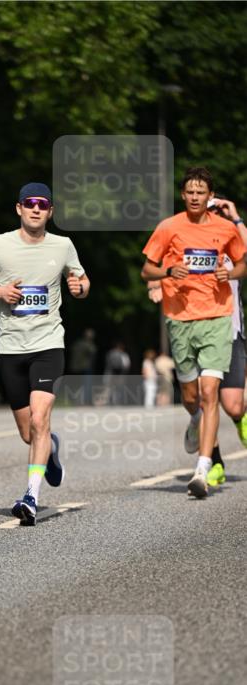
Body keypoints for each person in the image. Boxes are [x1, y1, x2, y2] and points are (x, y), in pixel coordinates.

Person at [0, 182, 89, 525]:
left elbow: (82, 280)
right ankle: (51, 449)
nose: (36, 209)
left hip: (48, 344)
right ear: (19, 208)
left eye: (43, 204)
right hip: (10, 348)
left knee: (41, 420)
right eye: (30, 203)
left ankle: (30, 496)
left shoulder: (63, 245)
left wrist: (80, 288)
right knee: (29, 432)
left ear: (50, 211)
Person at [141, 166, 246, 497]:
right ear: (183, 195)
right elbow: (147, 269)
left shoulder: (226, 229)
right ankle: (195, 420)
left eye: (202, 192)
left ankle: (204, 466)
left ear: (209, 195)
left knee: (209, 391)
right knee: (191, 398)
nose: (196, 197)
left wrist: (229, 275)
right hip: (180, 319)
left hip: (217, 317)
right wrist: (168, 271)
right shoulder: (168, 227)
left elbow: (243, 262)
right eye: (191, 192)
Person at [202, 196, 247, 486]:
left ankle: (241, 417)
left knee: (232, 405)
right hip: (196, 331)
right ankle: (214, 461)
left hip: (230, 332)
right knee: (205, 401)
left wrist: (236, 217)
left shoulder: (232, 239)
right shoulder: (188, 238)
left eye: (217, 208)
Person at [68, 327, 96, 405]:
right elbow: (93, 352)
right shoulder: (88, 344)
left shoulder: (77, 344)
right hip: (85, 367)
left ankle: (76, 401)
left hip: (75, 367)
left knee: (77, 385)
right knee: (87, 385)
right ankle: (86, 401)